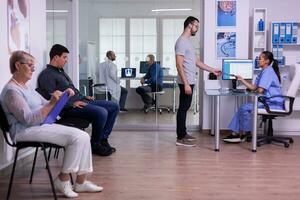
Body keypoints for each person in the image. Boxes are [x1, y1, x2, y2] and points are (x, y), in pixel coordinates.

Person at [0, 51, 102, 198]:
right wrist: (52, 103)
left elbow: (46, 104)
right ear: (17, 65)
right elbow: (27, 119)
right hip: (24, 131)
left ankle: (81, 182)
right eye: (30, 65)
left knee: (84, 136)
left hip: (39, 126)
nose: (33, 69)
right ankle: (63, 179)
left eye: (33, 66)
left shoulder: (25, 87)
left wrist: (62, 96)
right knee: (78, 137)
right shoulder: (11, 91)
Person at [37, 44, 119, 156]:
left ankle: (103, 139)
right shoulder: (47, 75)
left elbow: (72, 88)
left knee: (114, 106)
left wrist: (84, 96)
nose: (66, 61)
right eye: (64, 57)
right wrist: (72, 104)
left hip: (81, 101)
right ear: (56, 57)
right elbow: (50, 99)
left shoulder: (60, 71)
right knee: (102, 112)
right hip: (69, 109)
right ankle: (95, 144)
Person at [175, 16, 221, 147]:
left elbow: (196, 62)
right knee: (183, 109)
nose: (197, 29)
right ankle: (180, 138)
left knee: (185, 107)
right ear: (190, 25)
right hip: (186, 81)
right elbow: (178, 65)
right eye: (196, 26)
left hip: (189, 80)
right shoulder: (181, 42)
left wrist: (212, 70)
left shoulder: (188, 42)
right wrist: (186, 84)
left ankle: (183, 133)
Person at [222, 51, 284, 143]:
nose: (258, 60)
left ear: (266, 61)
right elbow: (254, 87)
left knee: (244, 108)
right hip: (268, 102)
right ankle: (237, 134)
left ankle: (245, 133)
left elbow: (260, 90)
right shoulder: (264, 71)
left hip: (273, 104)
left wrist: (254, 89)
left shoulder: (268, 72)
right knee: (243, 107)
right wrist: (241, 79)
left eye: (260, 59)